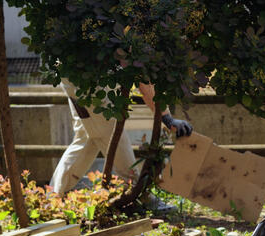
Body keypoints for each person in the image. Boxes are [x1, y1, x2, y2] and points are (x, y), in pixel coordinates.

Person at [50, 79, 192, 196]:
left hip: (74, 75)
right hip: (89, 83)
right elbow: (144, 81)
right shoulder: (138, 47)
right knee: (110, 132)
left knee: (87, 136)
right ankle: (138, 195)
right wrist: (166, 118)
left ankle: (53, 196)